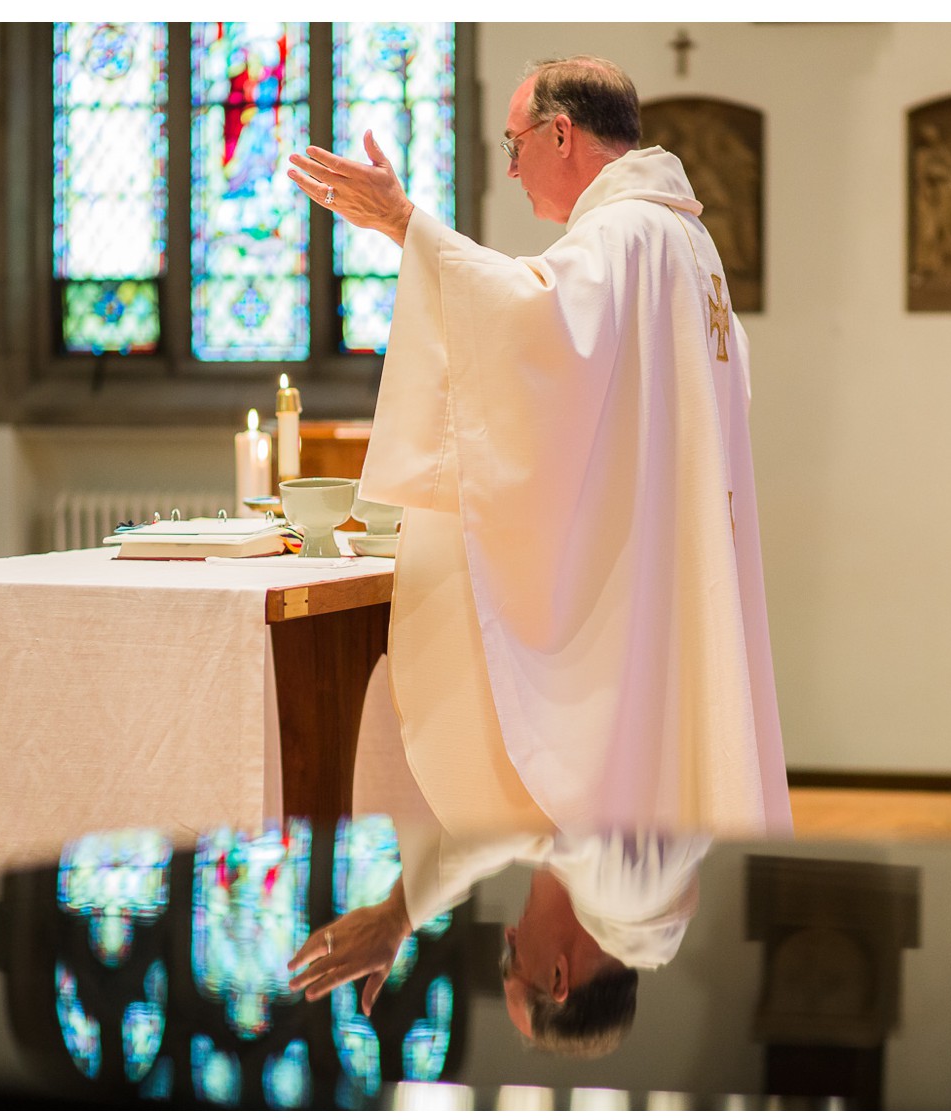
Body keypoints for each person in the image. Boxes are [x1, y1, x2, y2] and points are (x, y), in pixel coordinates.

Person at [286, 56, 790, 840]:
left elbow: (533, 329)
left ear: (563, 133)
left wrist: (403, 223)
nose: (514, 168)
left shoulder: (626, 234)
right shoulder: (687, 242)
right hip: (675, 556)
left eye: (515, 144)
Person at [288, 825, 710, 1058]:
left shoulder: (641, 905)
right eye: (513, 962)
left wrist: (402, 913)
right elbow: (524, 816)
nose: (510, 935)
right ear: (558, 975)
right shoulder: (629, 894)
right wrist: (397, 916)